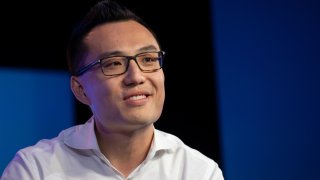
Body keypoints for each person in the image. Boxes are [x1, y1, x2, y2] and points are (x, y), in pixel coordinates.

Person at [1, 0, 224, 179]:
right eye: (114, 63)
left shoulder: (199, 171)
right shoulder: (34, 170)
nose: (136, 76)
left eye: (148, 59)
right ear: (80, 89)